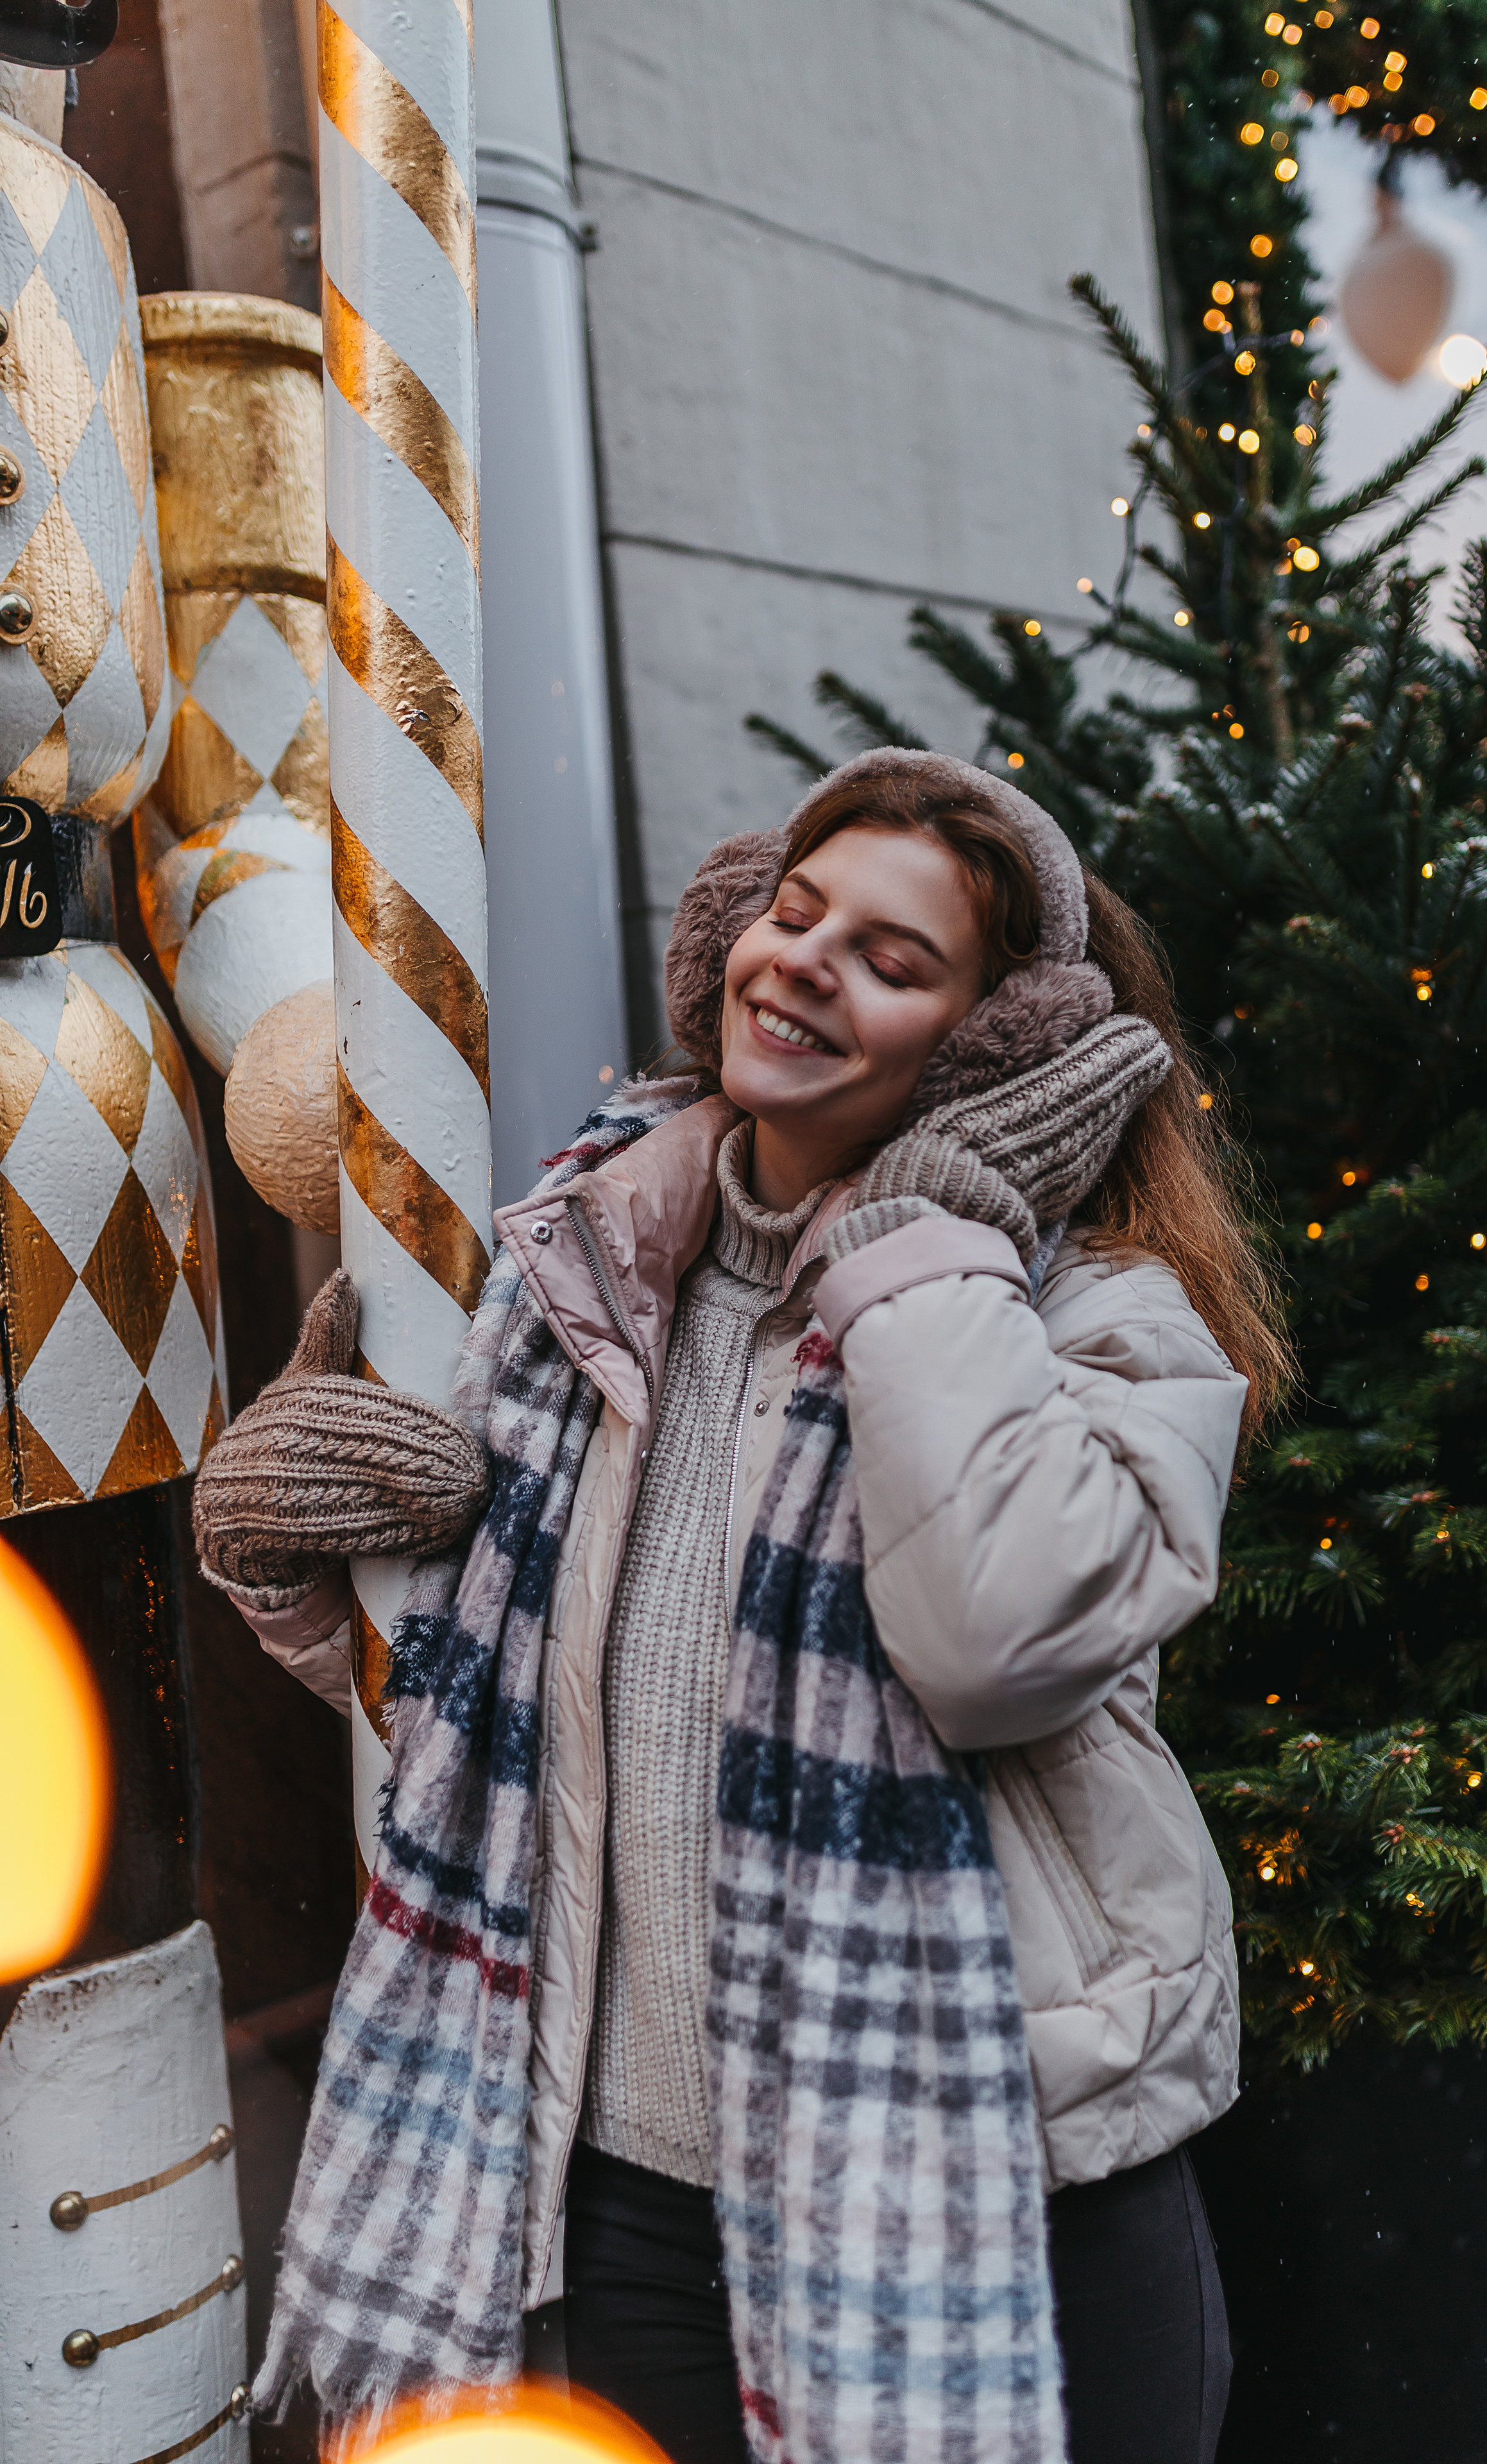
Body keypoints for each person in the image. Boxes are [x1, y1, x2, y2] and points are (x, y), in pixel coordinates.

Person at [194, 749, 1289, 2464]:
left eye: (893, 960)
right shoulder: (592, 1262)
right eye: (795, 914)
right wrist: (296, 1561)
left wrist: (930, 1238)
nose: (806, 964)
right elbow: (487, 1733)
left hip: (996, 2181)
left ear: (999, 1047)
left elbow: (997, 1645)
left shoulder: (1097, 1321)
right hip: (635, 2201)